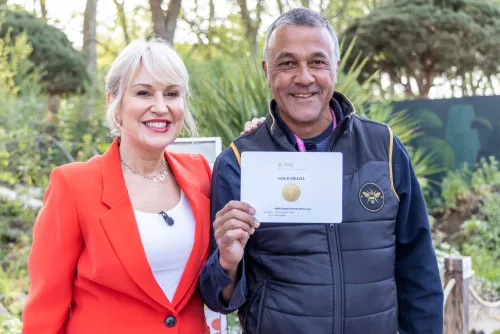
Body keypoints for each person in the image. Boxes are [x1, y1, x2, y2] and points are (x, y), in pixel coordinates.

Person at [199, 7, 444, 334]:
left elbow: (419, 271)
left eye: (317, 61)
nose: (303, 77)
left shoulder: (383, 147)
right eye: (287, 63)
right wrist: (227, 261)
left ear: (336, 67)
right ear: (266, 71)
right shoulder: (238, 163)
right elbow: (219, 298)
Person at [22, 39, 261, 334]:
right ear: (114, 101)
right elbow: (44, 313)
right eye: (144, 93)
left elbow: (220, 286)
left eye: (172, 94)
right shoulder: (73, 185)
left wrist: (262, 142)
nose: (160, 107)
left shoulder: (201, 172)